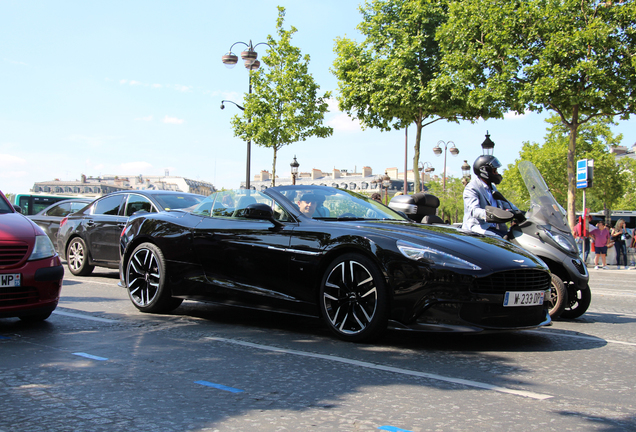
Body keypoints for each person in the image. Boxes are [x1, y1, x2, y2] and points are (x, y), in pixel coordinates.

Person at [462, 155, 515, 237]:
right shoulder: (472, 187)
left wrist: (522, 213)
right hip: (476, 229)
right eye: (494, 171)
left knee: (512, 237)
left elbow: (505, 203)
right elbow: (474, 210)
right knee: (501, 240)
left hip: (492, 229)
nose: (497, 174)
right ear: (485, 171)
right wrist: (490, 214)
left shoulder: (492, 187)